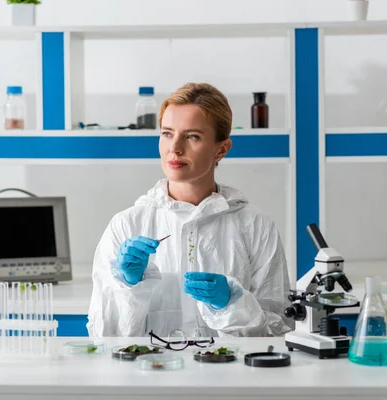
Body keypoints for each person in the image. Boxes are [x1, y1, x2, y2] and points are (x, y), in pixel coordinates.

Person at [86, 82, 294, 338]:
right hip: (150, 374)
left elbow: (278, 330)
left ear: (222, 149)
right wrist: (128, 285)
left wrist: (232, 304)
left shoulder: (255, 224)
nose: (175, 148)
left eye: (192, 136)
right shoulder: (127, 225)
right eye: (167, 133)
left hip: (228, 375)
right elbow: (104, 336)